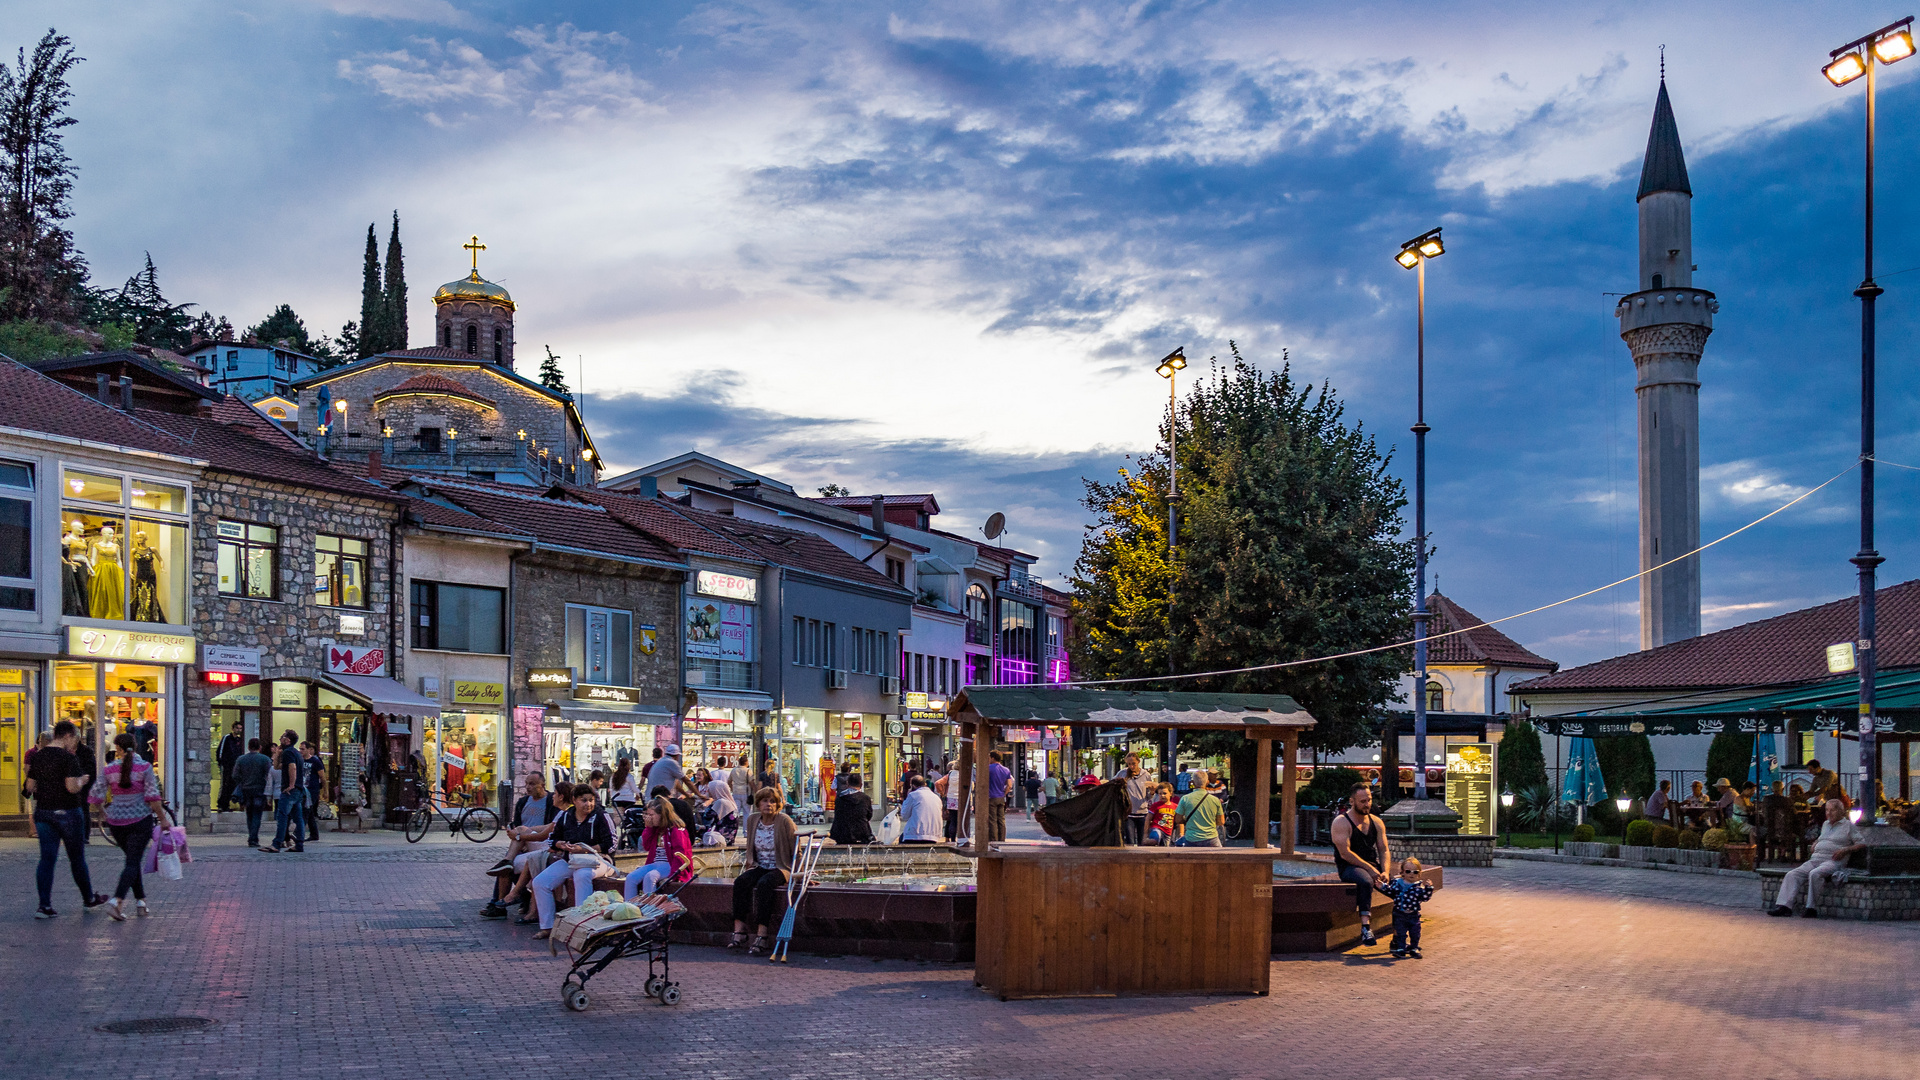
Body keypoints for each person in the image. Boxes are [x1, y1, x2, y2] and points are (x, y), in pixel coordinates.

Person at [26, 720, 108, 918]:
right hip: (68, 812)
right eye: (76, 739)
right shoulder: (68, 758)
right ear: (68, 736)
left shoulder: (38, 756)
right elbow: (72, 787)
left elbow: (29, 786)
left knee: (47, 859)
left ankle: (44, 905)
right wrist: (83, 780)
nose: (75, 744)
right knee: (77, 858)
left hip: (44, 812)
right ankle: (88, 898)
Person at [89, 732, 165, 921]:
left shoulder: (109, 769)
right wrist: (163, 819)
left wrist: (102, 811)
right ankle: (117, 900)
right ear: (135, 747)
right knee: (132, 862)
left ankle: (141, 902)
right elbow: (153, 797)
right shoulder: (144, 767)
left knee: (132, 860)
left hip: (116, 822)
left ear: (119, 749)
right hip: (140, 820)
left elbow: (95, 794)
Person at [530, 785, 615, 939]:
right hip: (571, 860)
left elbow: (611, 844)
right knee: (540, 882)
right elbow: (552, 839)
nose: (588, 804)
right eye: (584, 800)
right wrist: (560, 844)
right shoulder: (565, 816)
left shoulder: (601, 816)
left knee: (582, 876)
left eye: (591, 800)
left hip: (598, 861)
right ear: (574, 800)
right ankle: (547, 927)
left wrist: (584, 849)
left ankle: (583, 927)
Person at [1769, 798, 1869, 917]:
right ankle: (1784, 907)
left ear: (1841, 812)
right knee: (1792, 874)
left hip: (1833, 861)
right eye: (1827, 810)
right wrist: (1817, 842)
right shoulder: (1826, 824)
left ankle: (1811, 908)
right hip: (1816, 859)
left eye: (1832, 810)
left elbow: (1862, 843)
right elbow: (1824, 838)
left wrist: (1846, 850)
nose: (1829, 813)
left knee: (1815, 874)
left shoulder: (1848, 826)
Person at [483, 774, 562, 918]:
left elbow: (548, 829)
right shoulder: (523, 801)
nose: (528, 787)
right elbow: (516, 823)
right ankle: (498, 904)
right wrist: (515, 833)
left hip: (538, 842)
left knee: (510, 862)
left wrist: (521, 836)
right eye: (526, 784)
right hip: (522, 843)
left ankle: (509, 899)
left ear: (543, 784)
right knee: (505, 868)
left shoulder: (552, 802)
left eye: (532, 784)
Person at [731, 788, 797, 955]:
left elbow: (797, 850)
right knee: (741, 882)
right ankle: (739, 930)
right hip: (759, 865)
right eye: (765, 801)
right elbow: (750, 847)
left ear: (778, 804)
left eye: (773, 801)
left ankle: (763, 934)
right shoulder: (753, 819)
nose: (769, 804)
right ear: (758, 804)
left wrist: (799, 875)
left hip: (781, 867)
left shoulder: (784, 820)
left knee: (765, 884)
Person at [1330, 782, 1391, 946]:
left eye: (1369, 800)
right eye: (1363, 801)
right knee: (1366, 881)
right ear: (1352, 801)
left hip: (1371, 864)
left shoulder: (1376, 822)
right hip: (1349, 867)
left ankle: (1403, 925)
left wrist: (1385, 871)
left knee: (1398, 884)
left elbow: (1384, 850)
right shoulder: (1341, 822)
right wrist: (1370, 869)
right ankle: (1365, 928)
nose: (1367, 804)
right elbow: (1345, 853)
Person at [623, 795, 694, 900]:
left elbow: (680, 855)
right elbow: (646, 846)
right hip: (656, 863)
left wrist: (673, 875)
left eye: (652, 815)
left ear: (662, 815)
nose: (648, 817)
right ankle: (630, 906)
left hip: (670, 864)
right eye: (647, 814)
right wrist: (648, 828)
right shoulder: (656, 829)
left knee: (650, 877)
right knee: (631, 878)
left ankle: (650, 907)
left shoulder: (676, 830)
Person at [1381, 857, 1435, 959]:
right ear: (1402, 872)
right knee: (1401, 933)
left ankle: (1414, 948)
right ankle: (1400, 948)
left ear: (1419, 874)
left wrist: (1429, 888)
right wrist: (1382, 886)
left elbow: (1425, 898)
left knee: (1415, 932)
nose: (1411, 874)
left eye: (1415, 872)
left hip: (1413, 915)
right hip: (1400, 914)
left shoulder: (1418, 887)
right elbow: (1390, 891)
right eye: (1408, 871)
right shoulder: (1398, 884)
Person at [265, 730, 305, 853]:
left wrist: (291, 785)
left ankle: (276, 844)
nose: (280, 739)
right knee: (298, 818)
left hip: (290, 790)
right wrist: (277, 753)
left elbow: (292, 767)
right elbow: (276, 767)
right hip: (298, 790)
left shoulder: (288, 753)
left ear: (287, 740)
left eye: (282, 737)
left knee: (282, 816)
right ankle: (299, 845)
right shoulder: (295, 753)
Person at [232, 738, 272, 848]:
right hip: (260, 789)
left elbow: (235, 775)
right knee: (257, 815)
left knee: (249, 814)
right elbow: (269, 774)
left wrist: (242, 782)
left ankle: (252, 836)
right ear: (260, 747)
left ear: (248, 747)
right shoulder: (265, 759)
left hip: (246, 789)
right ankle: (253, 838)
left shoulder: (241, 759)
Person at [1175, 769, 1224, 848]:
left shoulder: (1185, 798)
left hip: (1191, 838)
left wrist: (1187, 819)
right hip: (1211, 838)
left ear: (1193, 783)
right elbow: (1221, 821)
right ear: (1207, 782)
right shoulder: (1215, 800)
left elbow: (1178, 819)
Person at [830, 772, 875, 845]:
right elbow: (869, 815)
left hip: (841, 833)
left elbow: (837, 815)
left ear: (847, 784)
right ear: (861, 785)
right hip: (862, 832)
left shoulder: (840, 798)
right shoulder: (865, 798)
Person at [1116, 753, 1152, 845]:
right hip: (1129, 813)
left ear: (1138, 762)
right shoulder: (1123, 773)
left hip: (1143, 812)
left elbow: (1149, 793)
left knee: (1141, 841)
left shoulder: (1146, 775)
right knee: (1130, 840)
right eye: (1129, 764)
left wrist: (1151, 795)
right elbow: (1113, 784)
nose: (1131, 766)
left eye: (1133, 764)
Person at [700, 766, 740, 843]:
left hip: (722, 837)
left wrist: (708, 802)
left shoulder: (721, 802)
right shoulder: (729, 802)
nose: (709, 791)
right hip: (728, 836)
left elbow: (707, 816)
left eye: (711, 789)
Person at [900, 774, 943, 843]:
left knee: (901, 839)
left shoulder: (913, 795)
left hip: (915, 834)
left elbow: (904, 815)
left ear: (913, 786)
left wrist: (906, 798)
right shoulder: (936, 797)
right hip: (934, 835)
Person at [216, 720, 244, 812]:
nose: (238, 730)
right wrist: (221, 762)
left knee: (232, 784)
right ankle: (221, 804)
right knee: (225, 784)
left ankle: (226, 804)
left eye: (240, 728)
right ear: (233, 728)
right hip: (226, 765)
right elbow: (220, 751)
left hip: (235, 766)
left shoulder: (239, 740)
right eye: (237, 728)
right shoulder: (227, 738)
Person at [301, 740, 326, 842]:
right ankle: (314, 834)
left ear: (308, 750)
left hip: (312, 790)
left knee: (306, 812)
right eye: (300, 749)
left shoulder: (315, 761)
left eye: (303, 749)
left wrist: (325, 791)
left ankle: (299, 834)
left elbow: (322, 777)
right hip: (302, 789)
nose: (301, 751)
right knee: (310, 813)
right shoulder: (300, 760)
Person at [986, 752, 1013, 842]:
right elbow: (1009, 785)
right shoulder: (1006, 770)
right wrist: (1004, 794)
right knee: (1001, 819)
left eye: (989, 757)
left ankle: (994, 839)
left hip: (990, 796)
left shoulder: (988, 769)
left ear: (993, 758)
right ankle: (1002, 839)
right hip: (1001, 797)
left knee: (992, 820)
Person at [936, 764, 962, 841]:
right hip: (961, 799)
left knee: (952, 820)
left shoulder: (950, 774)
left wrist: (943, 793)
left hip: (951, 799)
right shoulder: (963, 774)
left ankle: (952, 839)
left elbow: (938, 783)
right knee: (962, 820)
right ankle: (962, 839)